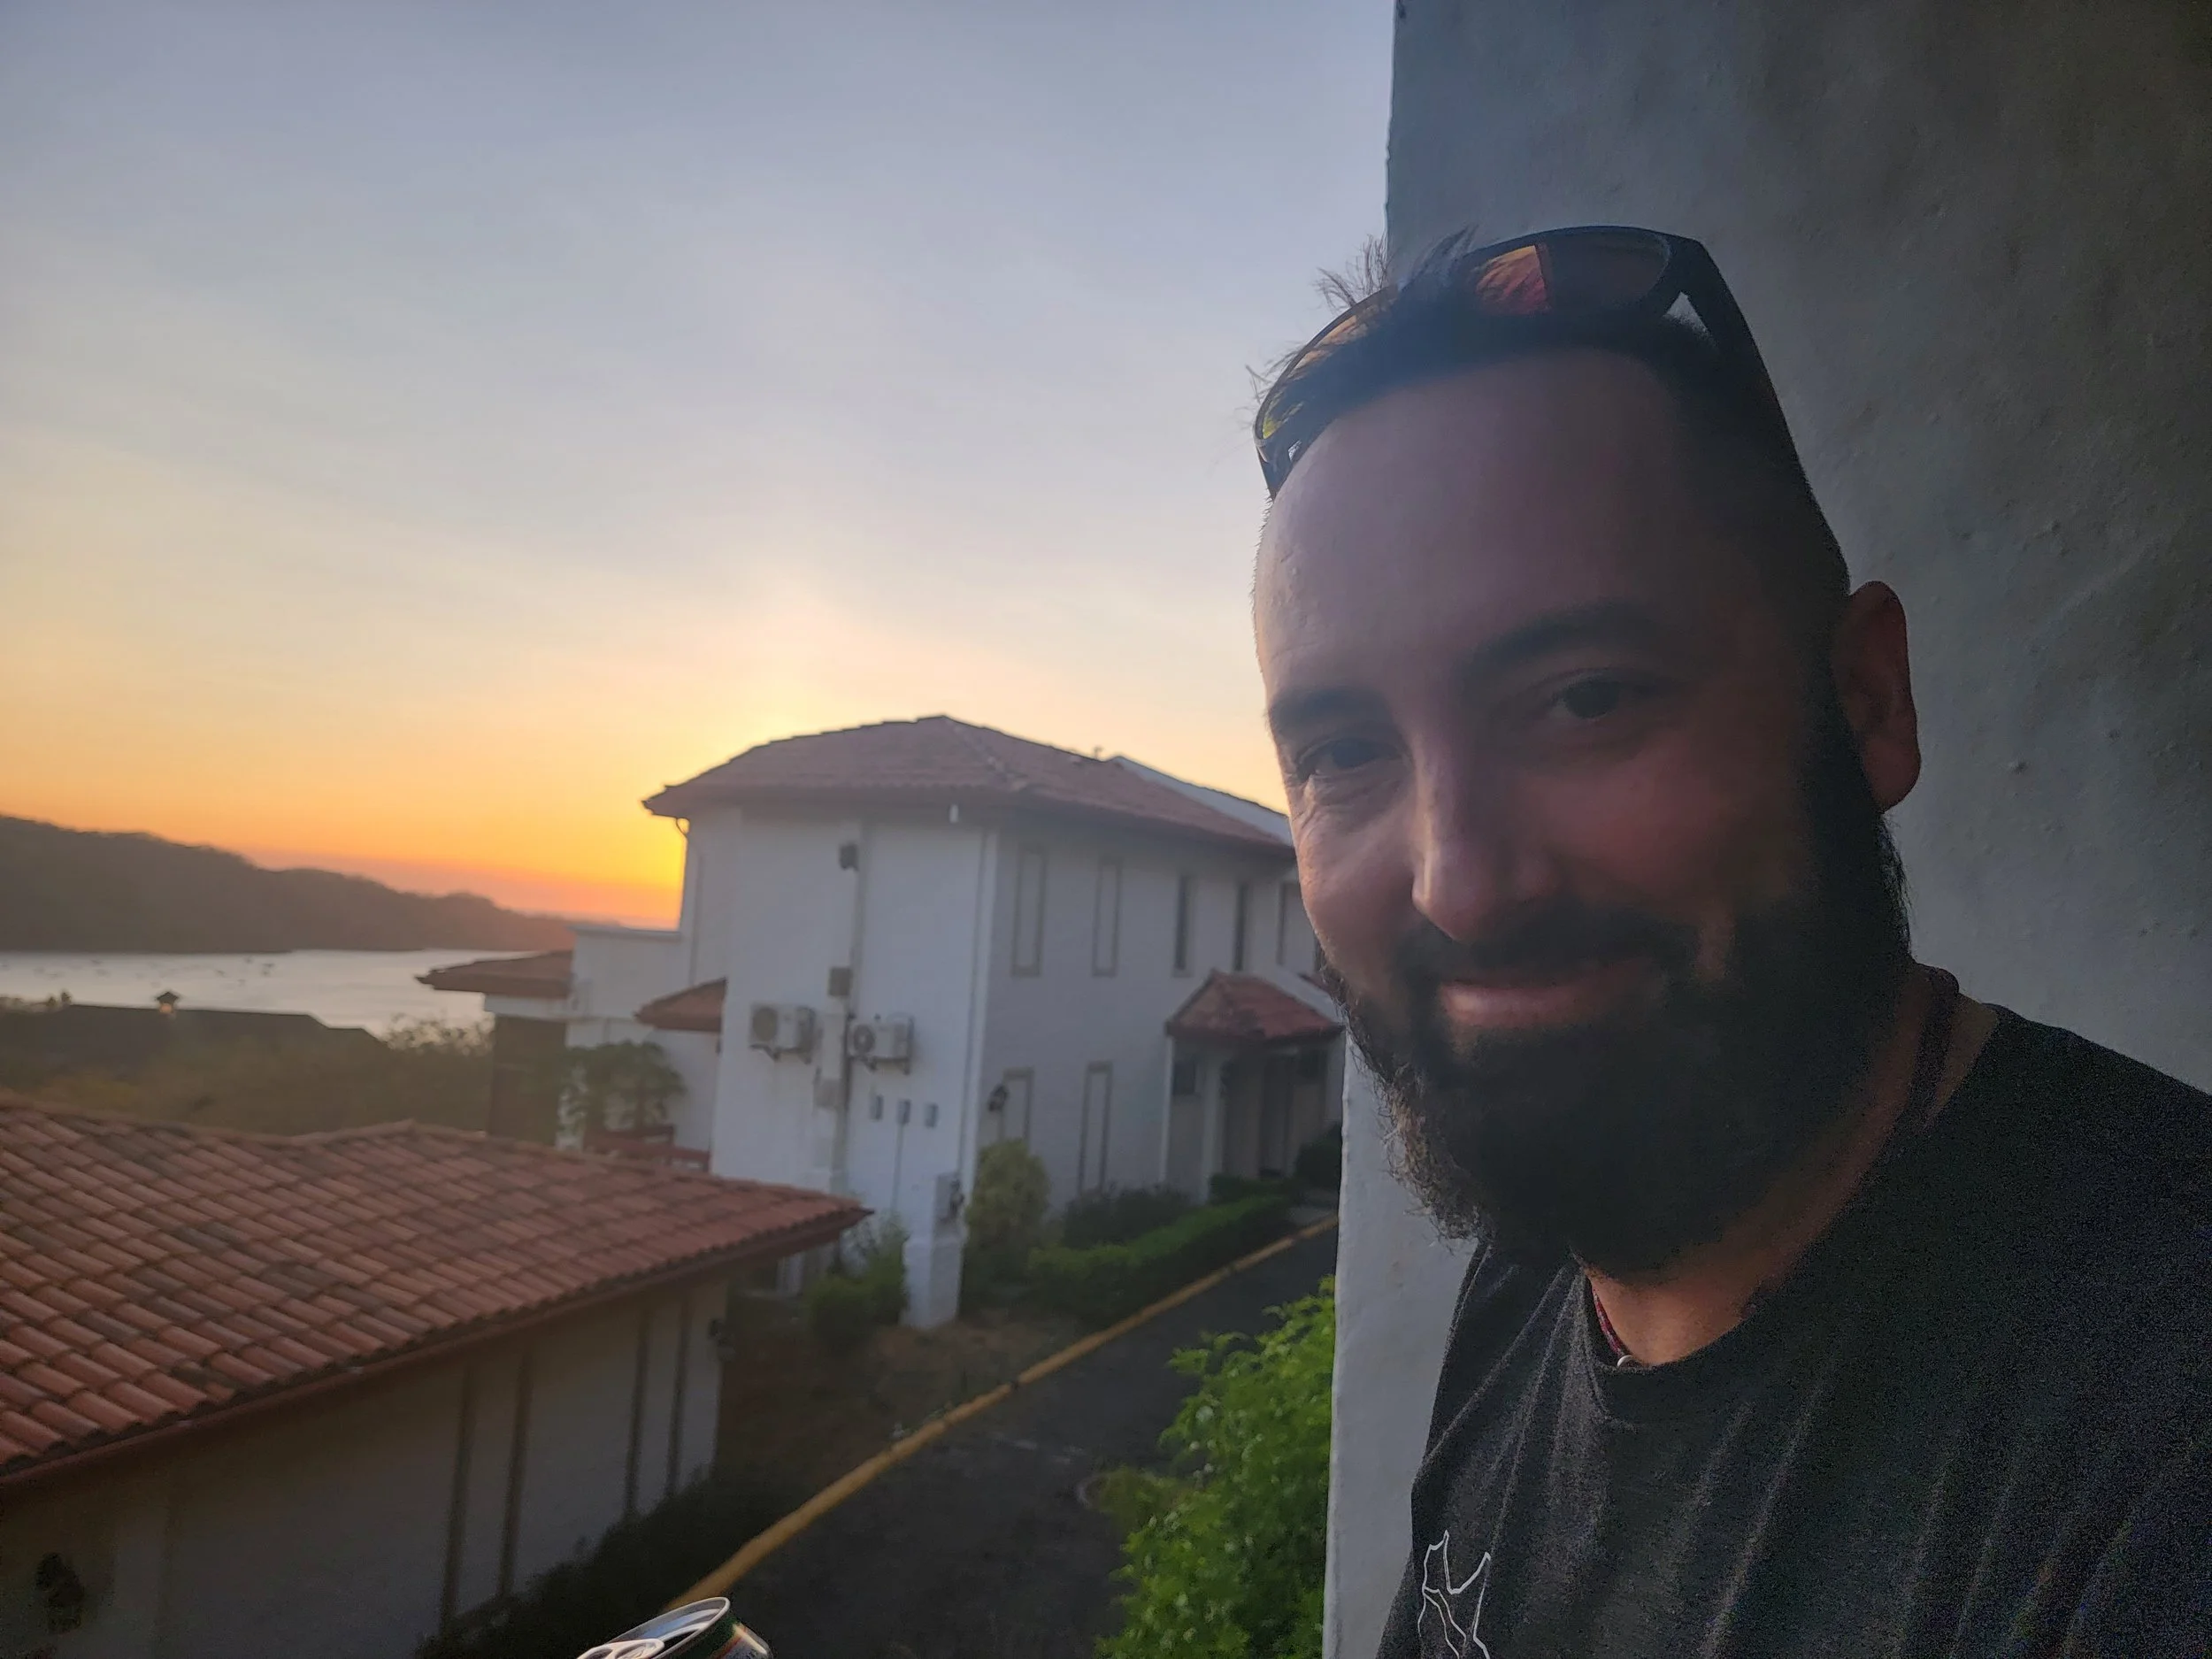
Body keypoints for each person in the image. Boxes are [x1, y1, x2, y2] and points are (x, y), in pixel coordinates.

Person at [1248, 227, 2210, 1658]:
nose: (1460, 884)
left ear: (1868, 700)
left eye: (1584, 697)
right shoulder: (1539, 1271)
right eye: (1342, 750)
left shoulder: (2155, 1430)